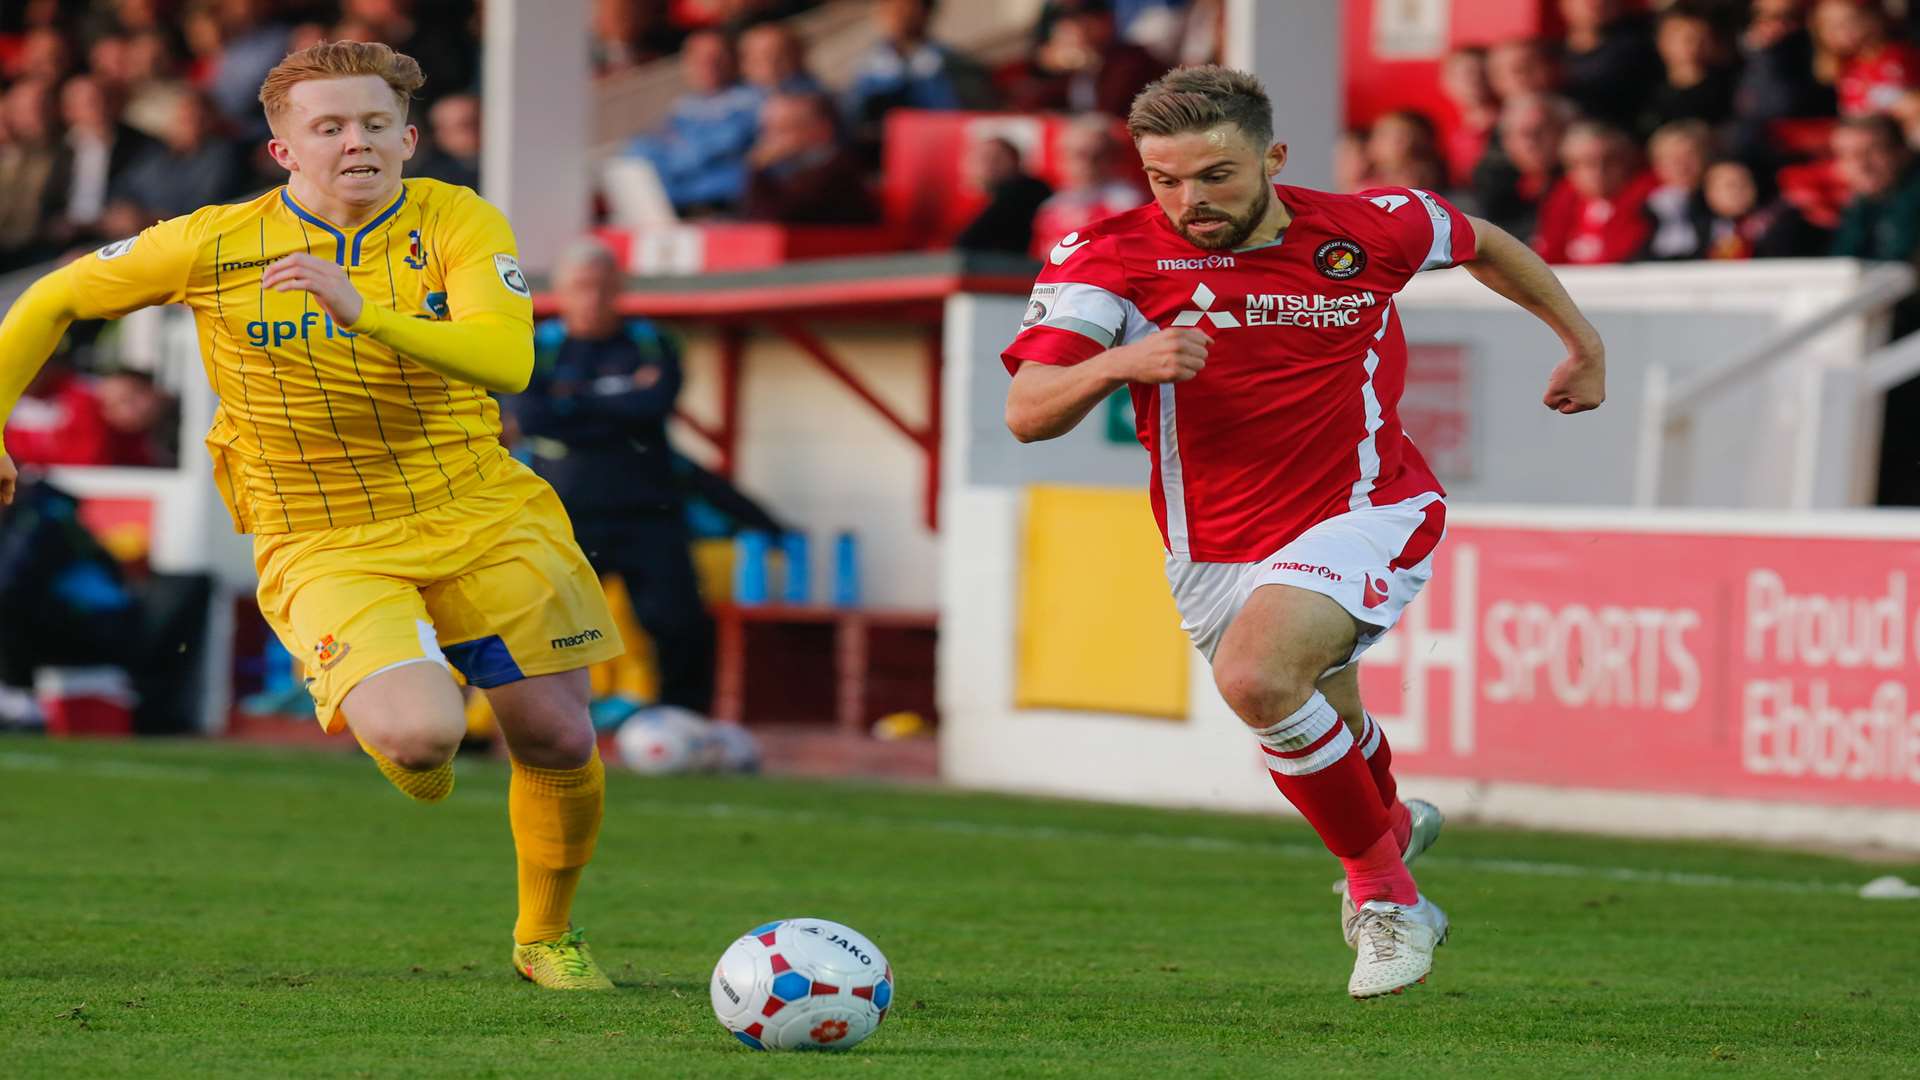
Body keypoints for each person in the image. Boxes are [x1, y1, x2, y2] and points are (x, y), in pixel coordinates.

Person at [0, 40, 626, 990]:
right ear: (282, 149)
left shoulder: (457, 220)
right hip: (321, 526)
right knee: (423, 736)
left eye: (375, 124)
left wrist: (361, 310)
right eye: (328, 127)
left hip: (477, 502)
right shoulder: (212, 242)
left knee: (556, 737)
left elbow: (509, 362)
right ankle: (413, 727)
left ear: (409, 137)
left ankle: (546, 937)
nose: (356, 142)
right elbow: (50, 298)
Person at [1000, 64, 1605, 998]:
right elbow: (1028, 411)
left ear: (1272, 157)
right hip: (1213, 547)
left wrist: (1581, 343)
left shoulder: (1371, 226)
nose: (1189, 202)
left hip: (1368, 506)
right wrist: (1124, 360)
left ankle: (1388, 900)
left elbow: (1482, 240)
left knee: (1258, 678)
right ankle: (1391, 828)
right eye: (1165, 180)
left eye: (1215, 176)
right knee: (1328, 715)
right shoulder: (1107, 260)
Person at [510, 239, 717, 716]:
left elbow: (653, 406)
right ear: (561, 291)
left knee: (678, 621)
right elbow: (535, 418)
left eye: (604, 287)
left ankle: (685, 720)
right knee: (537, 622)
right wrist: (616, 403)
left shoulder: (652, 342)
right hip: (566, 511)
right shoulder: (538, 346)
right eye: (582, 287)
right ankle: (498, 724)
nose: (593, 298)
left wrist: (573, 402)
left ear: (620, 288)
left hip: (650, 510)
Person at [742, 92, 876, 224]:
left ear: (822, 129)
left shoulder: (835, 170)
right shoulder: (790, 169)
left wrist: (757, 169)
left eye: (784, 129)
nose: (770, 139)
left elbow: (778, 218)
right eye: (768, 130)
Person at [1533, 122, 1657, 264]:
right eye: (1588, 163)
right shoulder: (1560, 203)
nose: (1599, 172)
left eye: (1609, 161)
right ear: (1569, 169)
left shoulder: (1651, 203)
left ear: (1627, 162)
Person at [1831, 111, 1920, 260]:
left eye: (1872, 152)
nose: (1861, 165)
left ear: (1903, 153)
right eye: (1847, 155)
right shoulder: (1862, 202)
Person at [953, 136, 1053, 253]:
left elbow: (969, 243)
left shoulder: (1026, 190)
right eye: (982, 159)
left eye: (996, 158)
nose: (988, 165)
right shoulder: (977, 201)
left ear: (1016, 163)